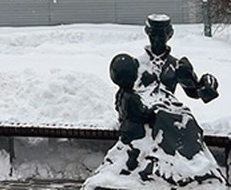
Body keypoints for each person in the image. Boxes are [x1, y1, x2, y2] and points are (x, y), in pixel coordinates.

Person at [83, 14, 225, 189]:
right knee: (160, 118)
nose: (157, 39)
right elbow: (125, 91)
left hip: (172, 107)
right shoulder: (136, 64)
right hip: (145, 109)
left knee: (188, 121)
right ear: (147, 33)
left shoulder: (177, 65)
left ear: (169, 34)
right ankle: (161, 168)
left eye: (162, 35)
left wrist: (207, 84)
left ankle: (194, 166)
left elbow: (195, 91)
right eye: (154, 35)